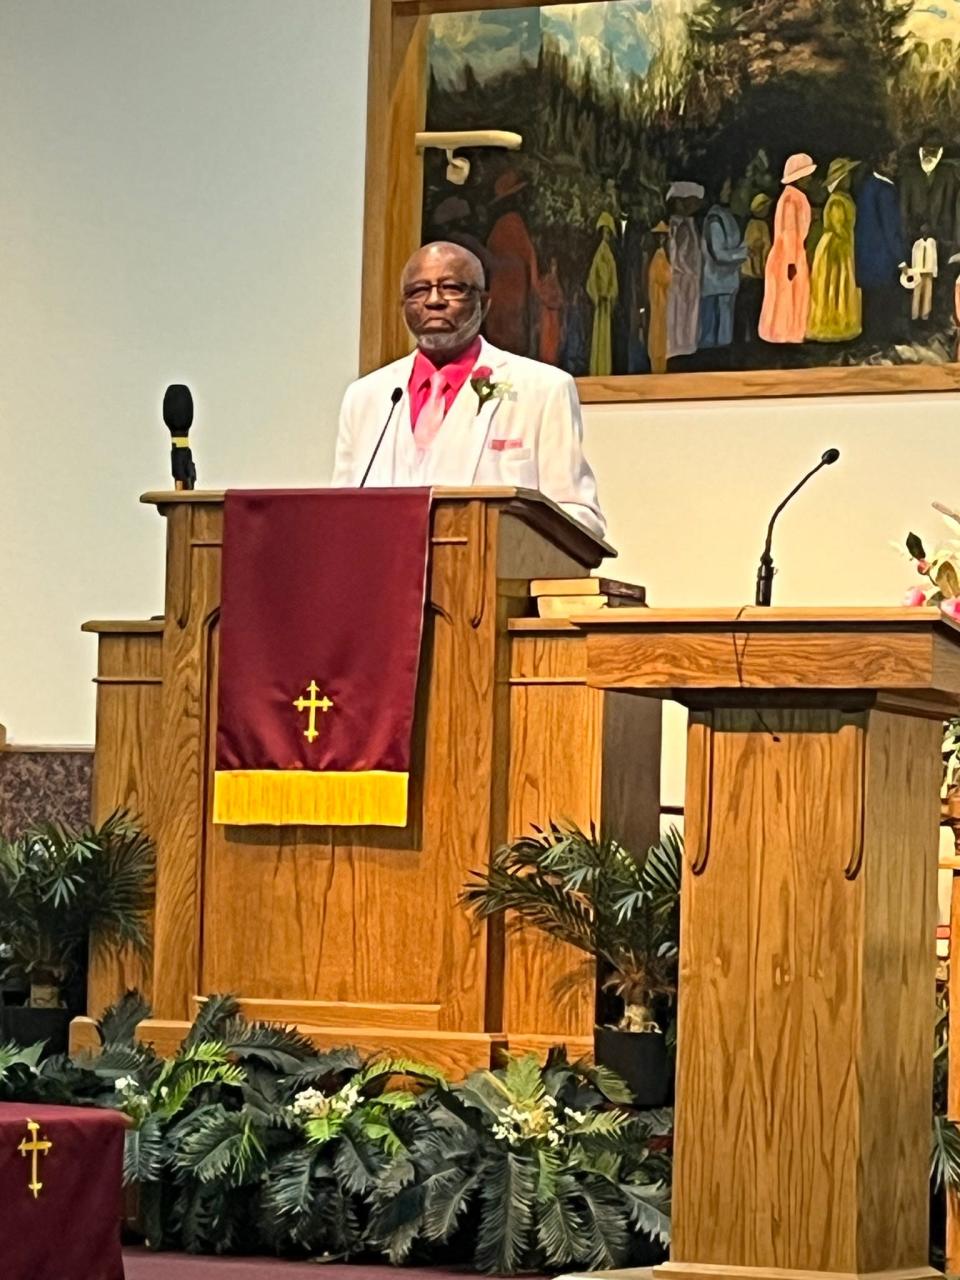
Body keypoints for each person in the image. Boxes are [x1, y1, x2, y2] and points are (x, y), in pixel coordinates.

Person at [332, 241, 605, 537]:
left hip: (489, 576)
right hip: (386, 575)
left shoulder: (543, 389)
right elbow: (340, 515)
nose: (434, 300)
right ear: (402, 306)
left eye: (451, 287)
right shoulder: (365, 397)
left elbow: (580, 518)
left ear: (484, 302)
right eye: (418, 291)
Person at [760, 152, 816, 344]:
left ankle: (790, 332)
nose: (810, 179)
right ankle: (785, 334)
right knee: (787, 295)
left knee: (792, 295)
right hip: (788, 254)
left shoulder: (793, 197)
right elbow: (789, 232)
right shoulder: (792, 199)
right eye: (807, 175)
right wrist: (791, 261)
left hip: (793, 253)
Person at [807, 157, 862, 342]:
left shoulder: (843, 198)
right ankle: (831, 325)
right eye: (847, 176)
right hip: (834, 248)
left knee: (838, 286)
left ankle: (838, 323)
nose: (849, 180)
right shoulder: (837, 201)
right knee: (833, 284)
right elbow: (839, 227)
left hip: (841, 246)